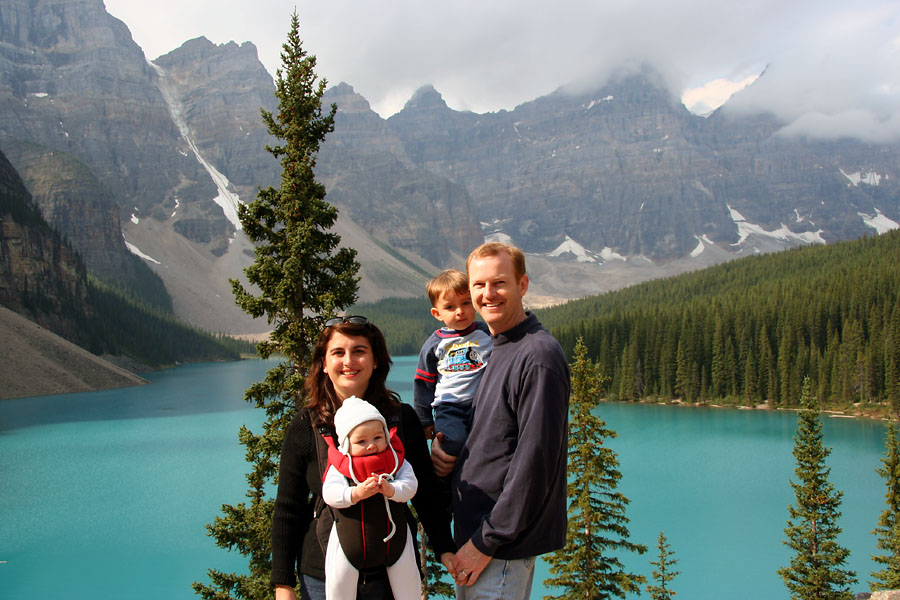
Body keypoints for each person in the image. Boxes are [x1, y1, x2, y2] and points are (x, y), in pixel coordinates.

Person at [271, 316, 457, 600]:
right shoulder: (306, 426)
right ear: (323, 363)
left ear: (376, 361)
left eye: (359, 350)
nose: (349, 361)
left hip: (391, 574)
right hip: (323, 577)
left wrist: (445, 547)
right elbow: (288, 507)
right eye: (338, 352)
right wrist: (283, 584)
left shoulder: (401, 419)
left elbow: (426, 494)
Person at [432, 242, 570, 600]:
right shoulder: (495, 349)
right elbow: (487, 434)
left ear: (522, 285)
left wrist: (486, 541)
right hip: (481, 539)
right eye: (478, 285)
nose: (487, 294)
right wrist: (442, 442)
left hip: (499, 549)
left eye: (499, 283)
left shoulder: (537, 356)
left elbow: (534, 465)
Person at [322, 396, 421, 600]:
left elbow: (411, 485)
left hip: (396, 541)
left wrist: (392, 490)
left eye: (378, 438)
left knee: (409, 580)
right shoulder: (341, 466)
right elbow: (329, 493)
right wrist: (355, 494)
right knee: (338, 583)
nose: (371, 446)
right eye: (361, 441)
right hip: (348, 541)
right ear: (347, 444)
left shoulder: (394, 460)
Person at [414, 269, 492, 457]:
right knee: (452, 441)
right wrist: (424, 420)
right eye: (450, 307)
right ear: (437, 313)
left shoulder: (487, 333)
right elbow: (424, 383)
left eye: (466, 303)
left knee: (486, 443)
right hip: (449, 406)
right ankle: (445, 484)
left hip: (482, 404)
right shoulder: (435, 343)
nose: (460, 311)